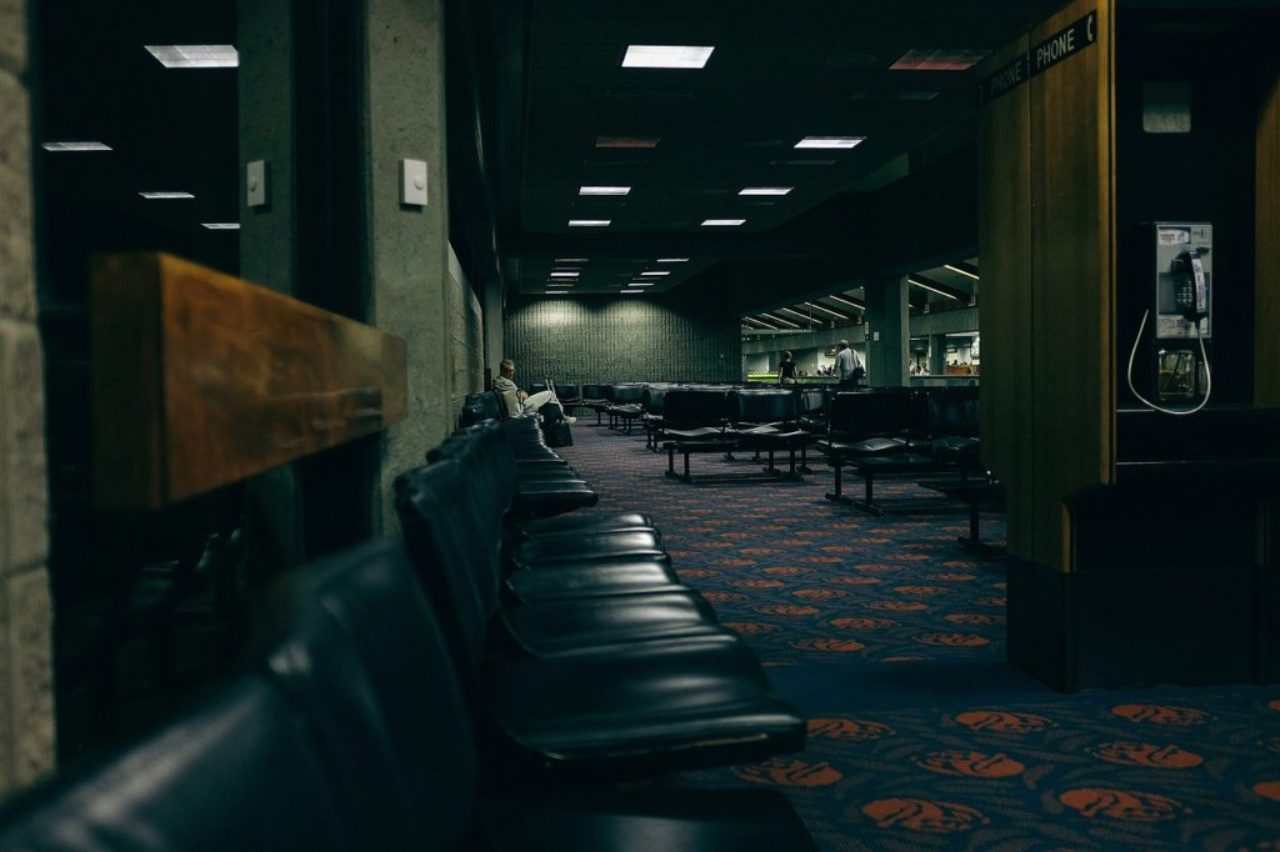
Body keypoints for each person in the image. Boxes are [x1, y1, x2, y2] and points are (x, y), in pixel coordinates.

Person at [492, 359, 575, 422]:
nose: (512, 373)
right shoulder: (504, 382)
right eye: (509, 371)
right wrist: (521, 393)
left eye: (513, 371)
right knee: (550, 394)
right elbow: (520, 395)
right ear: (502, 370)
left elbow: (518, 393)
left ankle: (561, 417)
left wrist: (521, 393)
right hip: (522, 407)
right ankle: (563, 417)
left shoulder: (499, 380)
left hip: (520, 404)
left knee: (551, 401)